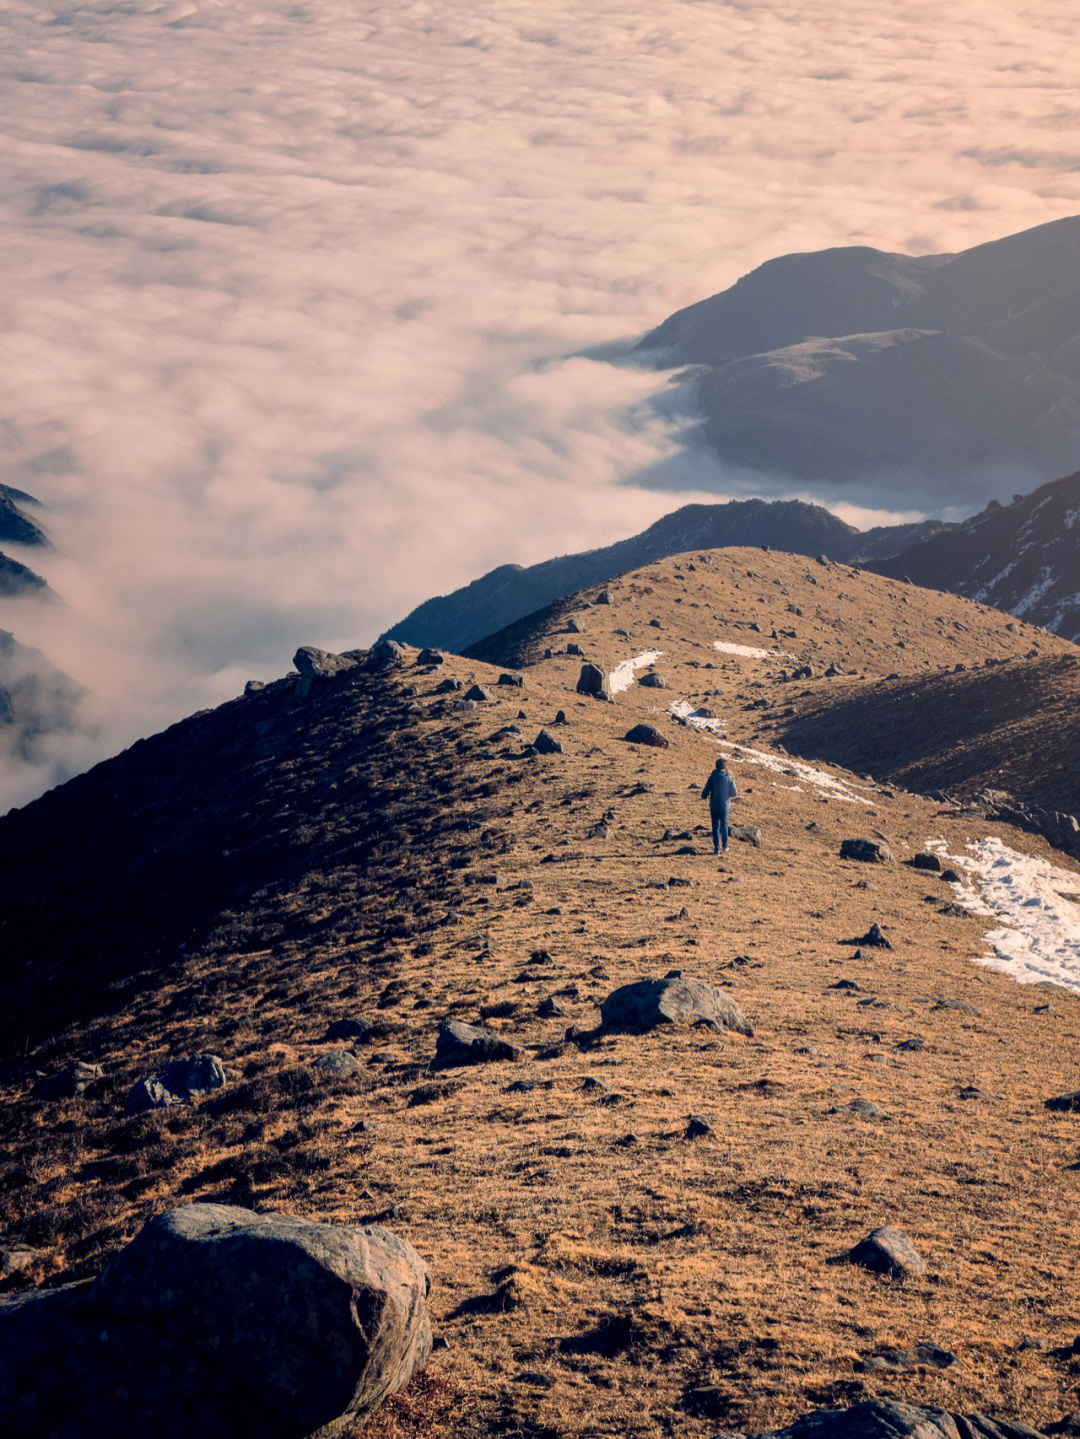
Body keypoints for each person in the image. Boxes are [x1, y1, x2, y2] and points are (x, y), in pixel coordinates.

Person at [701, 755, 739, 855]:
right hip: (725, 806)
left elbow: (704, 793)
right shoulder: (728, 778)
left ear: (716, 767)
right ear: (725, 767)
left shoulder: (712, 777)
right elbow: (734, 793)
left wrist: (705, 796)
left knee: (715, 826)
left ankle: (716, 849)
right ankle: (725, 846)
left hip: (714, 805)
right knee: (724, 825)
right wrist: (727, 795)